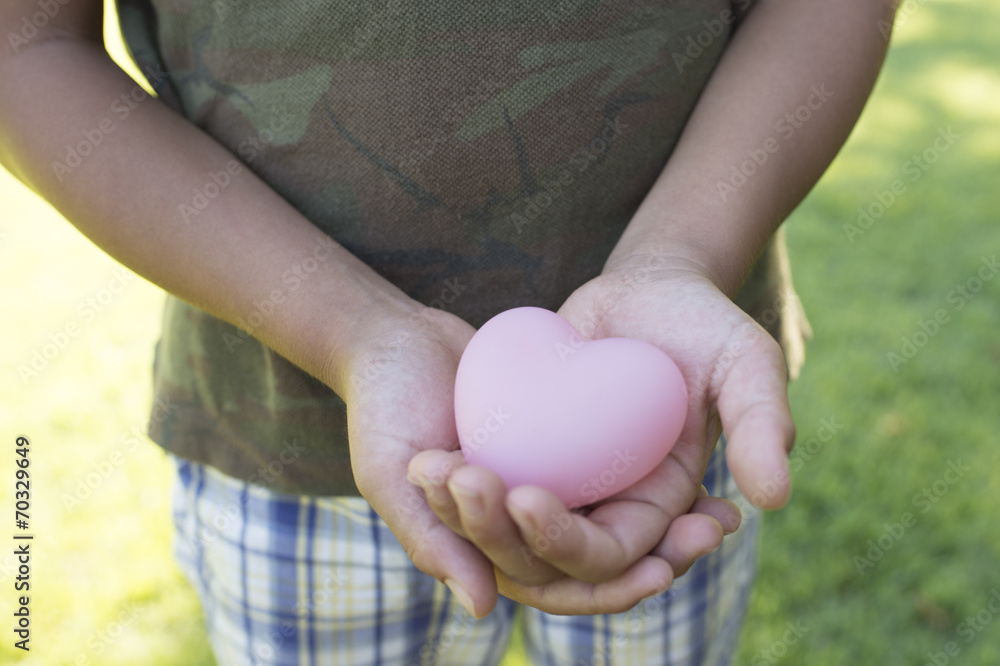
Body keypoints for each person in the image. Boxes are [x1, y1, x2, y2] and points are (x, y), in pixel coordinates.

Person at [0, 0, 896, 663]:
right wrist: (351, 328)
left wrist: (682, 255)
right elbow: (24, 43)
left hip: (673, 426)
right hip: (284, 431)